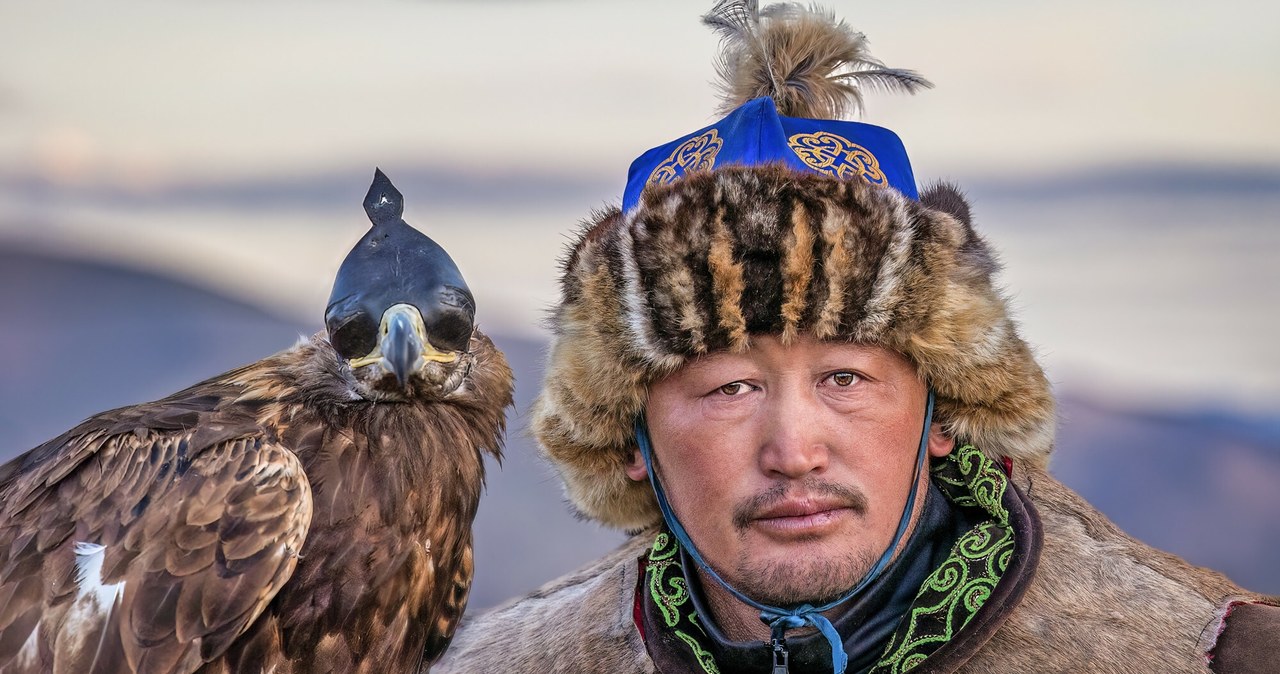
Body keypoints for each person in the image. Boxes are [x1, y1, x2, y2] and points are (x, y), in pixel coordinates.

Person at [435, 3, 1278, 672]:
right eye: (730, 386)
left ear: (943, 412)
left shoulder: (1210, 656)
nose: (794, 450)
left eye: (844, 376)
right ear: (630, 439)